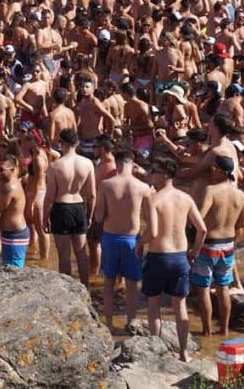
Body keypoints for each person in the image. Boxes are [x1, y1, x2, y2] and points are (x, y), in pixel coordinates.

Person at [145, 154, 205, 363]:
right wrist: (194, 253)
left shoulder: (154, 199)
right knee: (180, 307)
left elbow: (152, 233)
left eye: (153, 171)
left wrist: (138, 243)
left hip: (158, 256)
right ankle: (184, 353)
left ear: (164, 176)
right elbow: (202, 229)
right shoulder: (186, 198)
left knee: (154, 306)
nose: (149, 174)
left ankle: (155, 353)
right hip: (180, 257)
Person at [94, 147, 156, 334]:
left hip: (110, 238)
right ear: (133, 163)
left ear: (116, 161)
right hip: (132, 239)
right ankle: (131, 323)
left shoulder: (106, 185)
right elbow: (151, 223)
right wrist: (142, 241)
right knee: (131, 285)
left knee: (108, 282)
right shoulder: (143, 188)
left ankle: (109, 323)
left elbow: (98, 217)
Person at [192, 156, 244, 337]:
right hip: (228, 246)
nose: (211, 170)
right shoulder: (239, 194)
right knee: (224, 288)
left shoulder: (211, 191)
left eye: (213, 168)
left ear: (221, 171)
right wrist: (234, 244)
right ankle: (223, 330)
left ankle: (206, 331)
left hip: (208, 245)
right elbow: (241, 225)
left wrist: (193, 247)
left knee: (203, 289)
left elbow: (199, 219)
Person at [44, 128, 95, 287]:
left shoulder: (55, 166)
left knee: (64, 255)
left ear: (61, 143)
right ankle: (85, 287)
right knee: (81, 253)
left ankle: (67, 290)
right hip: (79, 207)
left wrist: (44, 218)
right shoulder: (87, 163)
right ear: (77, 142)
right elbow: (92, 194)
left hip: (61, 208)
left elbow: (50, 197)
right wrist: (90, 215)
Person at [0, 151, 28, 267]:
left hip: (15, 235)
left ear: (13, 170)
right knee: (7, 270)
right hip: (12, 233)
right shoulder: (8, 182)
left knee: (13, 273)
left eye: (1, 170)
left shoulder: (9, 187)